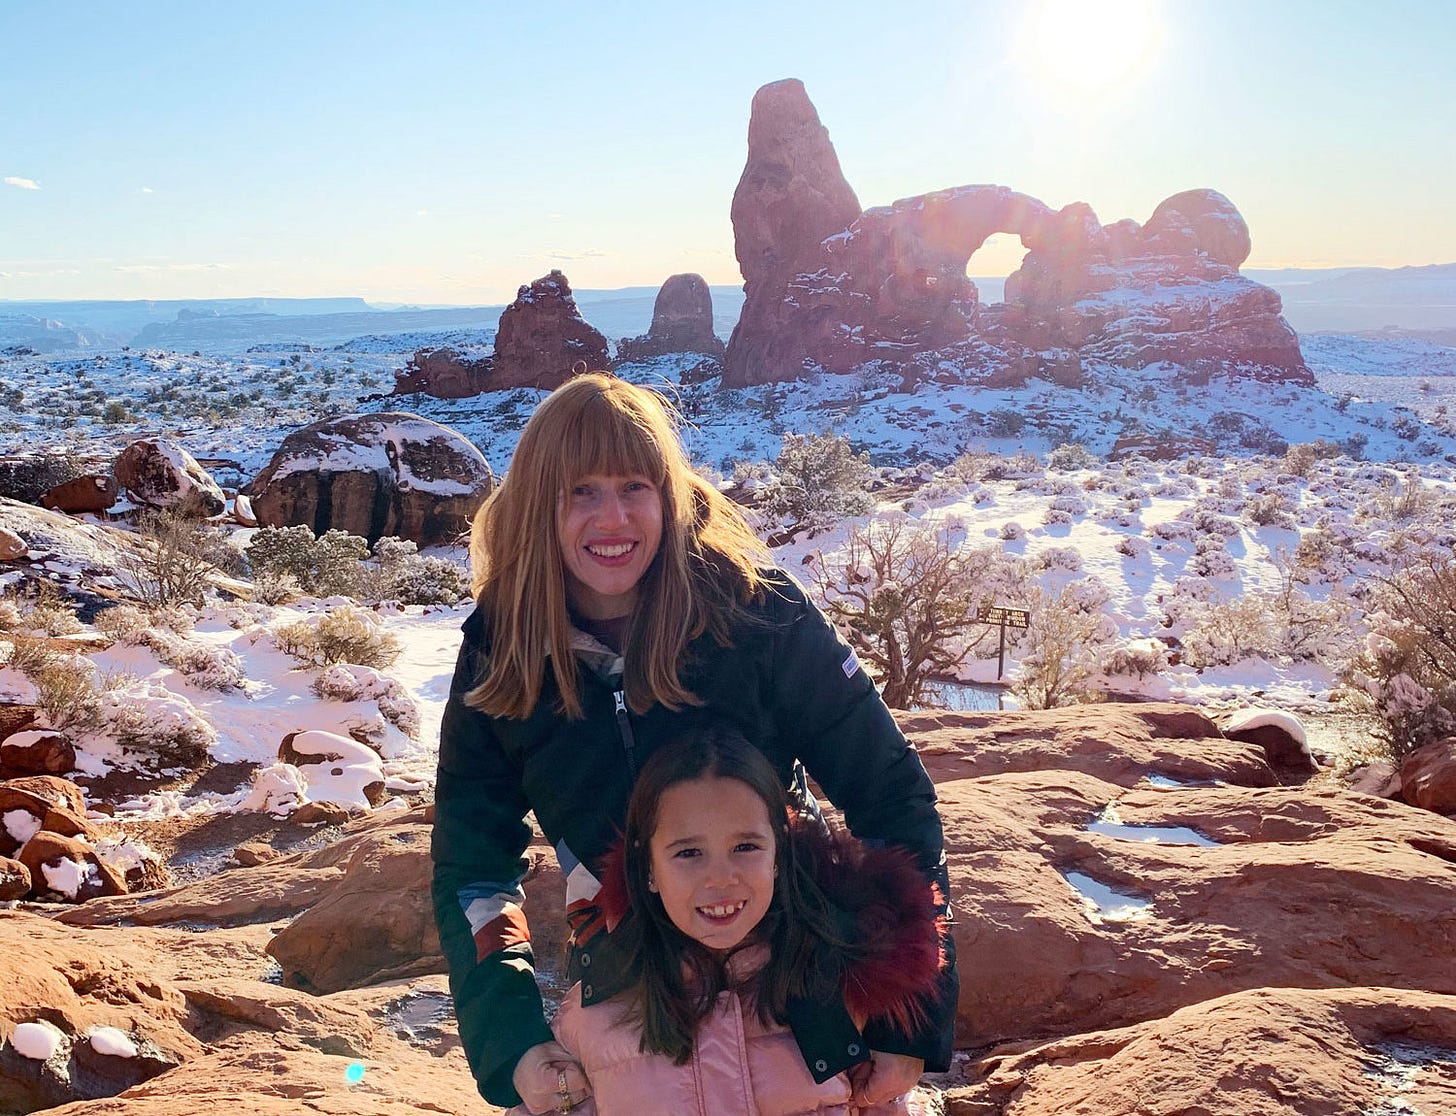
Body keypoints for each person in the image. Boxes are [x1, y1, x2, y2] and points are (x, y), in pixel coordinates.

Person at [431, 371, 957, 1114]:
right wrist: (511, 1041)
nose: (613, 518)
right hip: (627, 1006)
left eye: (634, 487)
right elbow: (473, 866)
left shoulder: (758, 612)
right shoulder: (503, 647)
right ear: (536, 504)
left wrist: (909, 1012)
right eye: (580, 491)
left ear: (668, 496)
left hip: (801, 990)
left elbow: (891, 796)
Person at [507, 725, 945, 1116]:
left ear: (779, 856)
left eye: (745, 847)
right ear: (648, 869)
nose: (720, 878)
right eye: (688, 852)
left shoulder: (843, 996)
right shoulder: (591, 1022)